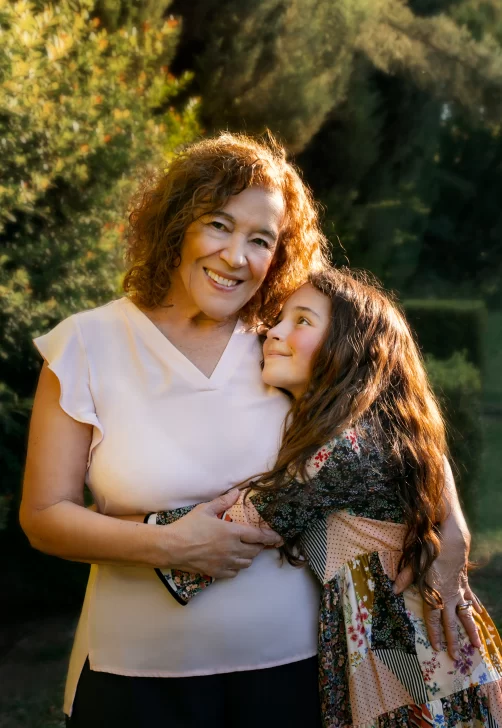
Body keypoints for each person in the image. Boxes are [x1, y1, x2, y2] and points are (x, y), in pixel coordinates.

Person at [20, 131, 477, 728]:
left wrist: (453, 532)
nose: (236, 257)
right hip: (134, 678)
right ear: (177, 225)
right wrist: (169, 544)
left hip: (299, 678)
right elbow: (44, 516)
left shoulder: (285, 340)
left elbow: (395, 411)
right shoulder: (86, 344)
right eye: (218, 225)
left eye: (260, 239)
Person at [144, 268, 502, 728]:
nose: (272, 331)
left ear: (352, 349)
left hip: (412, 673)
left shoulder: (340, 451)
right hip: (428, 663)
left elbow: (224, 534)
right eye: (279, 319)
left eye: (302, 320)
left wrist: (103, 523)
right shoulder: (378, 429)